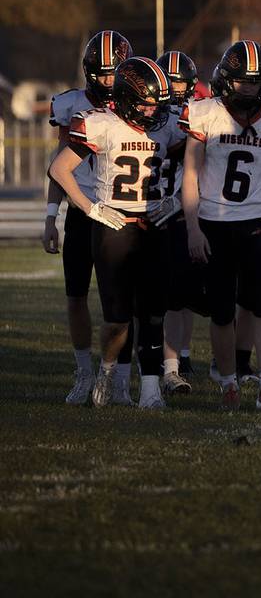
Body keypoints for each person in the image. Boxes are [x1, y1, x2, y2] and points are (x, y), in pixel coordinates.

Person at [49, 57, 186, 409]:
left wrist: (176, 199)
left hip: (155, 223)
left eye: (157, 103)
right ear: (125, 98)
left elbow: (196, 161)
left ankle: (151, 391)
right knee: (117, 318)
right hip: (115, 226)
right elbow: (59, 168)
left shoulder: (168, 124)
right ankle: (108, 371)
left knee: (154, 312)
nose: (151, 110)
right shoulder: (101, 124)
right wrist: (90, 207)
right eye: (144, 102)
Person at [180, 40, 261, 411]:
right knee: (221, 311)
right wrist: (192, 227)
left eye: (254, 81)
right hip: (214, 222)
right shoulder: (205, 114)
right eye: (241, 81)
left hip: (259, 222)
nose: (247, 88)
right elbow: (190, 174)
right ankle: (228, 383)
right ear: (224, 80)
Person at [45, 30, 134, 405]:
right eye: (102, 73)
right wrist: (51, 215)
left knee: (124, 301)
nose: (109, 81)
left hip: (122, 211)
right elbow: (58, 164)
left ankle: (122, 380)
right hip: (84, 209)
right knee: (76, 294)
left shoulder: (139, 103)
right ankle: (83, 373)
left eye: (115, 73)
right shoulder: (71, 105)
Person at [157, 50, 201, 395]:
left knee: (181, 294)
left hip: (180, 210)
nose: (173, 89)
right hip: (147, 207)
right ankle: (161, 358)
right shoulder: (146, 114)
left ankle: (180, 357)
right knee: (151, 293)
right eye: (168, 82)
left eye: (179, 83)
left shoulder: (197, 115)